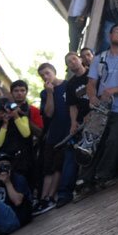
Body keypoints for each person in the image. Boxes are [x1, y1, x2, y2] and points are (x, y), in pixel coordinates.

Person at [82, 21, 118, 189]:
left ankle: (103, 175)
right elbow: (91, 83)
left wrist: (114, 90)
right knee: (92, 142)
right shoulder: (99, 58)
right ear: (110, 36)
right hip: (101, 109)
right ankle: (84, 180)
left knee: (114, 141)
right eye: (116, 31)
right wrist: (92, 97)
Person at [33, 62, 69, 216]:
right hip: (52, 134)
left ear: (54, 72)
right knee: (48, 167)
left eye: (47, 73)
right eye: (42, 75)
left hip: (67, 131)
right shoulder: (44, 93)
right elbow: (48, 113)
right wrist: (49, 93)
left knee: (58, 166)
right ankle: (43, 198)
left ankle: (50, 197)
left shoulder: (68, 85)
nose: (45, 77)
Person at [59, 51, 88, 207]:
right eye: (69, 62)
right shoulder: (70, 84)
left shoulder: (93, 73)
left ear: (81, 59)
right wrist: (73, 123)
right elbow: (72, 106)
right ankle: (66, 192)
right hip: (82, 121)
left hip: (100, 115)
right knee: (74, 153)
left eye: (74, 59)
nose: (73, 63)